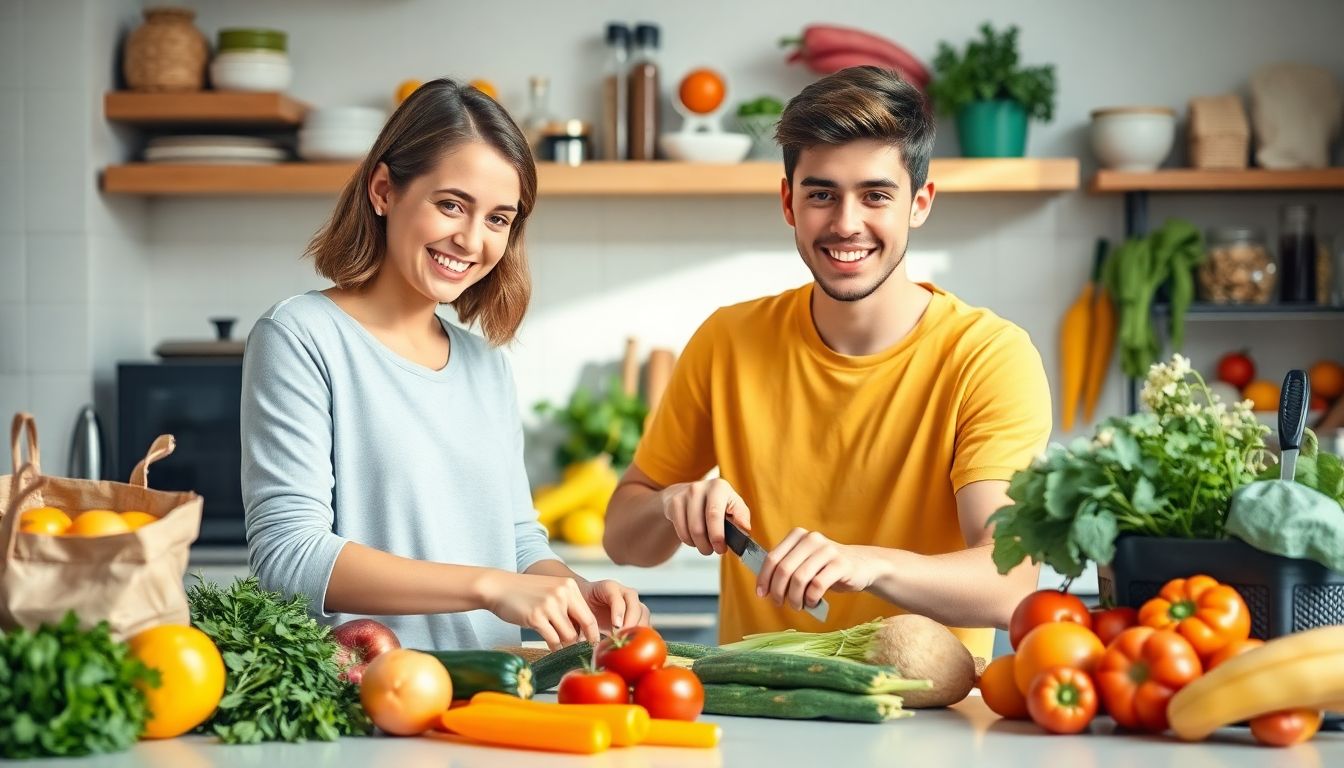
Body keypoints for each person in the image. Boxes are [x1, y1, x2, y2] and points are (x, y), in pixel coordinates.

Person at [602, 67, 1051, 659]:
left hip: (927, 722)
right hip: (758, 709)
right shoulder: (727, 339)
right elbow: (623, 540)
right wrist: (670, 504)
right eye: (822, 194)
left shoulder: (988, 357)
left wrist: (866, 564)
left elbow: (1010, 582)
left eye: (875, 195)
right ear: (789, 202)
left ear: (919, 204)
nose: (845, 223)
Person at [242, 79, 647, 652]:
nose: (471, 239)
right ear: (384, 190)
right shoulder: (302, 336)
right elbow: (290, 553)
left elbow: (516, 542)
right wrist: (487, 587)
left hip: (495, 692)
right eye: (451, 204)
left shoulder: (486, 366)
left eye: (499, 219)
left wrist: (578, 593)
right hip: (370, 699)